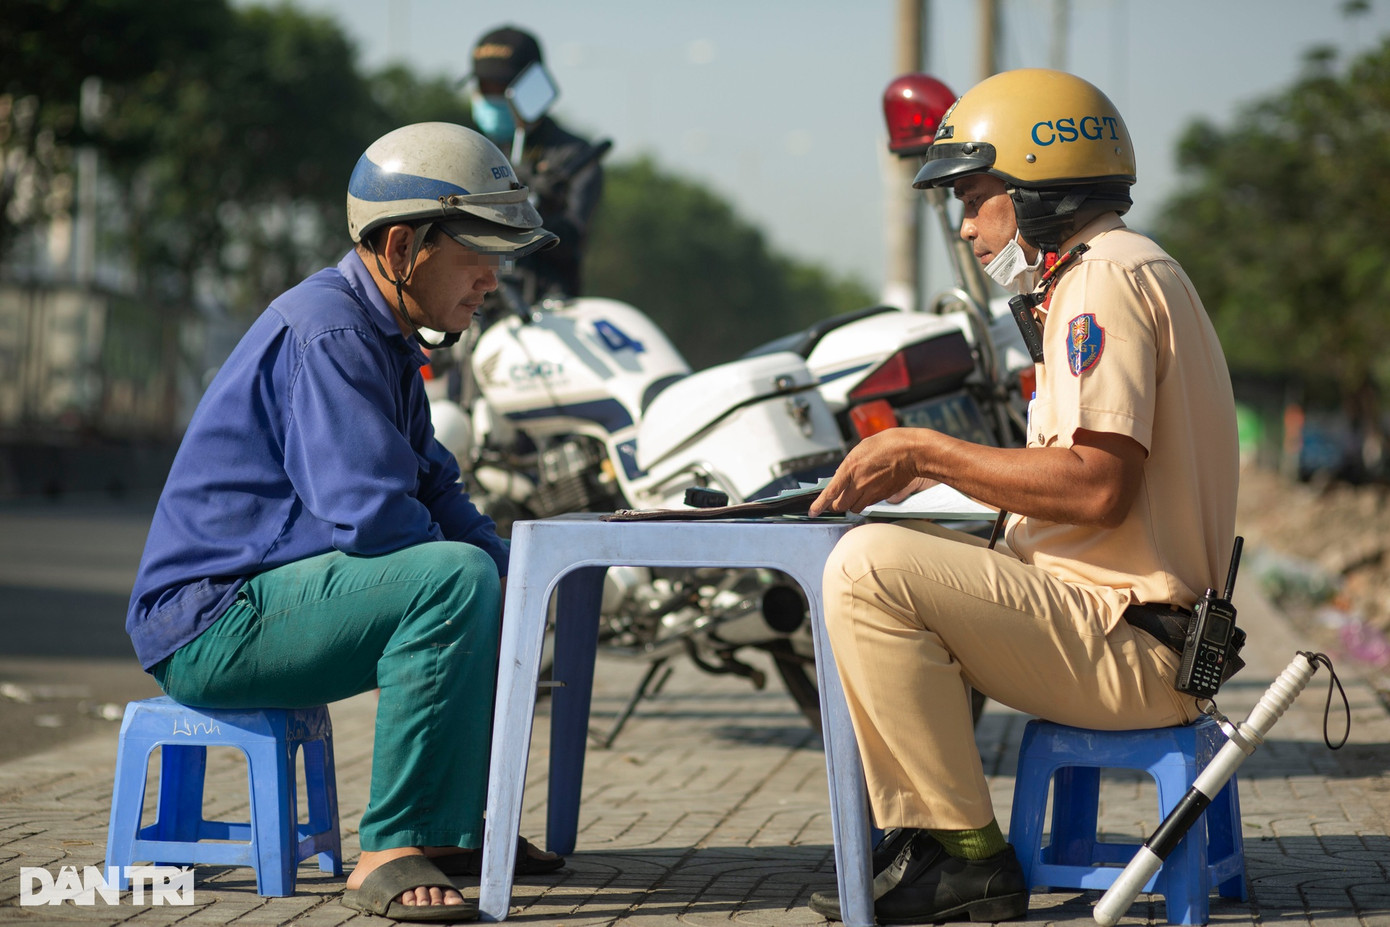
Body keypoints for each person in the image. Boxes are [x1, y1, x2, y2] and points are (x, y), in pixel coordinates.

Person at [805, 69, 1240, 923]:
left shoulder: (1100, 282)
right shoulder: (1128, 266)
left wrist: (927, 449)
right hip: (1142, 633)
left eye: (975, 196)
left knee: (866, 569)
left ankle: (961, 857)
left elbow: (1097, 485)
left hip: (1131, 644)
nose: (966, 225)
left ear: (1040, 187)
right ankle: (929, 839)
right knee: (892, 563)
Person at [125, 122, 565, 922]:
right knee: (453, 579)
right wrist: (478, 573)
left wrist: (521, 575)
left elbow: (436, 487)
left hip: (271, 605)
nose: (493, 279)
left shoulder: (384, 338)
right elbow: (374, 518)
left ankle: (449, 830)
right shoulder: (331, 331)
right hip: (213, 621)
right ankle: (391, 847)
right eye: (480, 253)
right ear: (403, 247)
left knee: (488, 570)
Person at [468, 25, 605, 301]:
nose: (492, 96)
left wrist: (533, 210)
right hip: (472, 305)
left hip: (547, 305)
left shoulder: (576, 155)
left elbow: (571, 237)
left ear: (533, 87)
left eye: (502, 88)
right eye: (485, 87)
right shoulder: (470, 151)